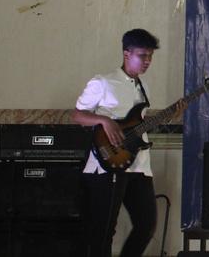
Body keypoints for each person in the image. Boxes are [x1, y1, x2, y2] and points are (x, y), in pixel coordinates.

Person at [73, 28, 176, 257]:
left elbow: (137, 123)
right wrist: (104, 120)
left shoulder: (144, 87)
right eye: (142, 55)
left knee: (146, 225)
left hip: (139, 164)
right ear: (126, 53)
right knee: (104, 230)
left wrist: (170, 114)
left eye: (150, 56)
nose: (147, 61)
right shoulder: (103, 82)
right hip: (108, 162)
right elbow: (78, 115)